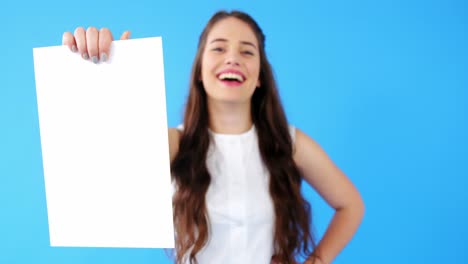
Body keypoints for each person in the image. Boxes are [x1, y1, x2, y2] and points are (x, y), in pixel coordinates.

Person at [62, 10, 364, 264]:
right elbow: (100, 162)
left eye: (247, 51)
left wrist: (317, 261)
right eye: (218, 48)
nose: (233, 58)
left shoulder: (290, 144)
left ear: (259, 76)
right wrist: (106, 70)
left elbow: (351, 205)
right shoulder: (173, 145)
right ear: (199, 70)